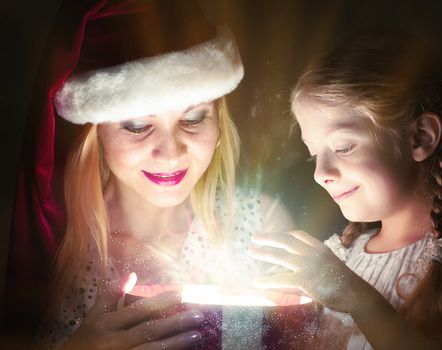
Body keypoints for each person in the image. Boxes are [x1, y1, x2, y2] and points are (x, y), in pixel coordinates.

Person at [24, 0, 294, 349]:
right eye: (137, 126)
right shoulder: (53, 243)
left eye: (194, 118)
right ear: (95, 132)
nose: (172, 152)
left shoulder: (261, 227)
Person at [250, 32, 442, 349]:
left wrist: (355, 297)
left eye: (344, 147)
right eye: (314, 155)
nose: (320, 173)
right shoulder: (338, 258)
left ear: (419, 137)